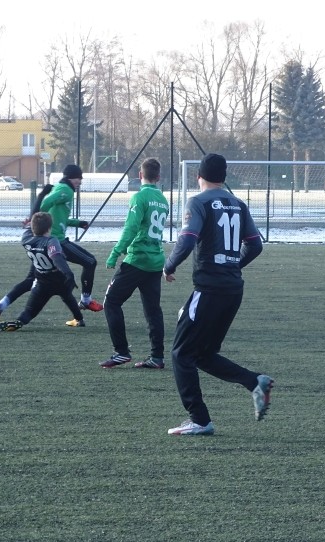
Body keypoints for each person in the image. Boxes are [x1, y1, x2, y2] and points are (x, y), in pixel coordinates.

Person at [163, 153, 273, 436]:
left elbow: (187, 240)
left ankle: (199, 419)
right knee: (203, 354)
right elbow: (255, 245)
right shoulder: (238, 204)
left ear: (198, 175)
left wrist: (169, 265)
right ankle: (254, 382)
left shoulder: (197, 202)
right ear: (224, 177)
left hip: (209, 289)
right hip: (233, 289)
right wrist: (233, 265)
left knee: (180, 354)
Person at [100, 158, 169, 369]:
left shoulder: (139, 197)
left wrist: (115, 253)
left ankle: (121, 352)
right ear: (158, 177)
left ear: (140, 176)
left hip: (137, 259)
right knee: (153, 310)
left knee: (111, 302)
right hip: (155, 261)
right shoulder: (163, 200)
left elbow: (131, 228)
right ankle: (157, 357)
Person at [0, 212, 86, 331]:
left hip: (42, 282)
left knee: (29, 312)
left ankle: (19, 321)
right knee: (68, 296)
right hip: (60, 279)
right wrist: (68, 273)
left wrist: (29, 225)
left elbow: (29, 230)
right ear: (49, 228)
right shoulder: (51, 240)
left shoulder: (26, 239)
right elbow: (56, 257)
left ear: (33, 227)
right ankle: (79, 319)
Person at [0, 183, 54, 326]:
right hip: (48, 249)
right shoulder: (48, 235)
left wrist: (41, 195)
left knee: (30, 281)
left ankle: (1, 305)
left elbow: (33, 216)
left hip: (37, 249)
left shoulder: (29, 232)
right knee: (58, 285)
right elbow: (35, 216)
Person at [40, 164, 103, 317]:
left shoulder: (61, 188)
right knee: (90, 262)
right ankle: (85, 301)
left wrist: (78, 223)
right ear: (70, 178)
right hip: (57, 241)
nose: (80, 182)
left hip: (52, 239)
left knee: (35, 281)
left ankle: (4, 304)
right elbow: (46, 203)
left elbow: (59, 218)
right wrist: (36, 219)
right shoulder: (66, 190)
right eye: (78, 178)